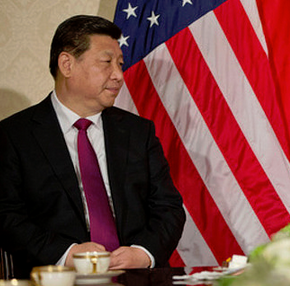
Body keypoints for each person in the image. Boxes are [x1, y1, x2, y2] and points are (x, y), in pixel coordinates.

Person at [0, 15, 186, 278]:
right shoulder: (14, 135)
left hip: (135, 278)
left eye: (120, 64)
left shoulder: (138, 132)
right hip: (54, 277)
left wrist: (143, 253)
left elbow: (169, 208)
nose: (119, 76)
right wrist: (67, 254)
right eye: (107, 62)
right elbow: (7, 217)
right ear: (67, 64)